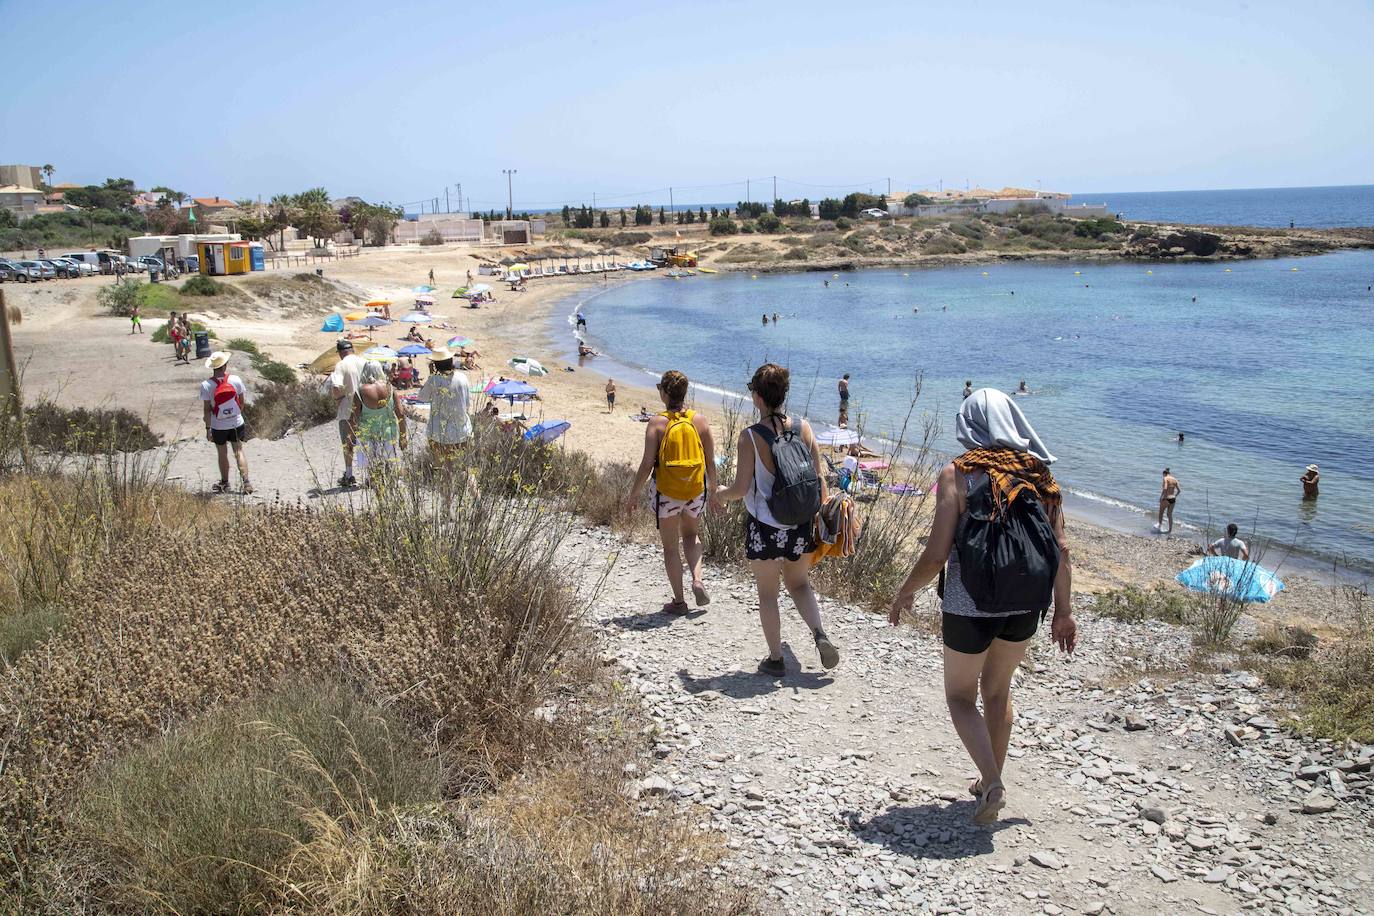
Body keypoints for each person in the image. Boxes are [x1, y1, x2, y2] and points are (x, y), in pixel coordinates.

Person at [888, 388, 1075, 825]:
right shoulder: (1040, 476)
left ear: (969, 425)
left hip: (968, 604)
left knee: (959, 696)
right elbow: (1062, 550)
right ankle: (989, 779)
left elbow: (936, 554)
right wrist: (1064, 611)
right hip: (1025, 605)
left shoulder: (958, 474)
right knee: (997, 690)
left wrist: (904, 591)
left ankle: (991, 783)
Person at [712, 363, 840, 676]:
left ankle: (775, 659)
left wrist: (719, 494)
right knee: (799, 584)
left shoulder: (750, 437)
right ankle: (819, 633)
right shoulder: (804, 427)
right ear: (783, 394)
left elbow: (741, 488)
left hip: (764, 527)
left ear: (757, 396)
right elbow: (819, 478)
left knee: (768, 594)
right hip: (801, 523)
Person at [628, 370, 717, 614]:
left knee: (670, 547)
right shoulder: (700, 421)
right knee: (691, 535)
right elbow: (710, 461)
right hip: (695, 490)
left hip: (667, 493)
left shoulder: (657, 423)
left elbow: (647, 464)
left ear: (665, 393)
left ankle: (679, 602)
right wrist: (714, 490)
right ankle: (697, 580)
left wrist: (633, 494)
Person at [199, 351, 251, 494]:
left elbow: (206, 410)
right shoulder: (235, 379)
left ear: (212, 367)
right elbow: (241, 403)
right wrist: (234, 415)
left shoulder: (206, 385)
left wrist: (208, 429)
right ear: (225, 365)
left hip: (218, 425)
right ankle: (246, 482)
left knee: (222, 453)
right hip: (236, 423)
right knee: (238, 451)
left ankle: (225, 483)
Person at [350, 360, 406, 480]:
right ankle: (389, 481)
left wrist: (351, 438)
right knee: (389, 462)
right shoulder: (390, 388)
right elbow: (401, 413)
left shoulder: (360, 392)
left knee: (371, 466)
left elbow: (354, 418)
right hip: (388, 432)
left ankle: (374, 481)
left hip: (367, 434)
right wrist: (403, 436)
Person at [416, 347, 471, 467]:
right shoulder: (462, 377)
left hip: (439, 432)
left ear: (436, 365)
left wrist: (431, 375)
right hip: (462, 429)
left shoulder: (434, 380)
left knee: (441, 467)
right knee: (461, 467)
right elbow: (467, 404)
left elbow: (422, 397)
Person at [329, 340, 367, 487]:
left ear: (340, 353)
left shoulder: (341, 365)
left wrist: (338, 399)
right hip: (366, 407)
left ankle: (349, 474)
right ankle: (370, 474)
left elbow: (336, 386)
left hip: (348, 407)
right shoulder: (364, 362)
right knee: (366, 442)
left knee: (348, 442)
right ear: (353, 349)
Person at [1155, 468, 1181, 533]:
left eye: (1163, 475)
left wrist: (1161, 497)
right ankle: (1169, 530)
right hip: (1173, 498)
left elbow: (1165, 488)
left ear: (1164, 474)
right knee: (1169, 515)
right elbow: (1179, 491)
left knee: (1161, 512)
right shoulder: (1175, 479)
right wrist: (1175, 496)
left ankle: (1159, 528)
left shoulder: (1165, 478)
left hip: (1166, 498)